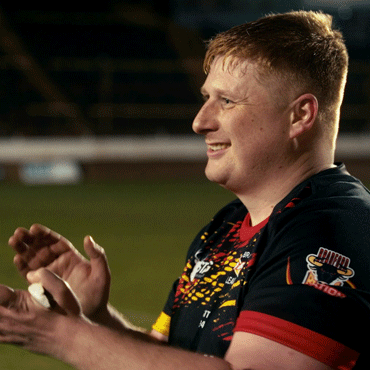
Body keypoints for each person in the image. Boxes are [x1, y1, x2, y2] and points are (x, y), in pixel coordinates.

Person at [1, 10, 370, 370]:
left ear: (300, 115)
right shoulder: (226, 226)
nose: (200, 121)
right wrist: (97, 318)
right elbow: (177, 355)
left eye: (226, 101)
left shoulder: (331, 230)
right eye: (206, 98)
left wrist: (61, 336)